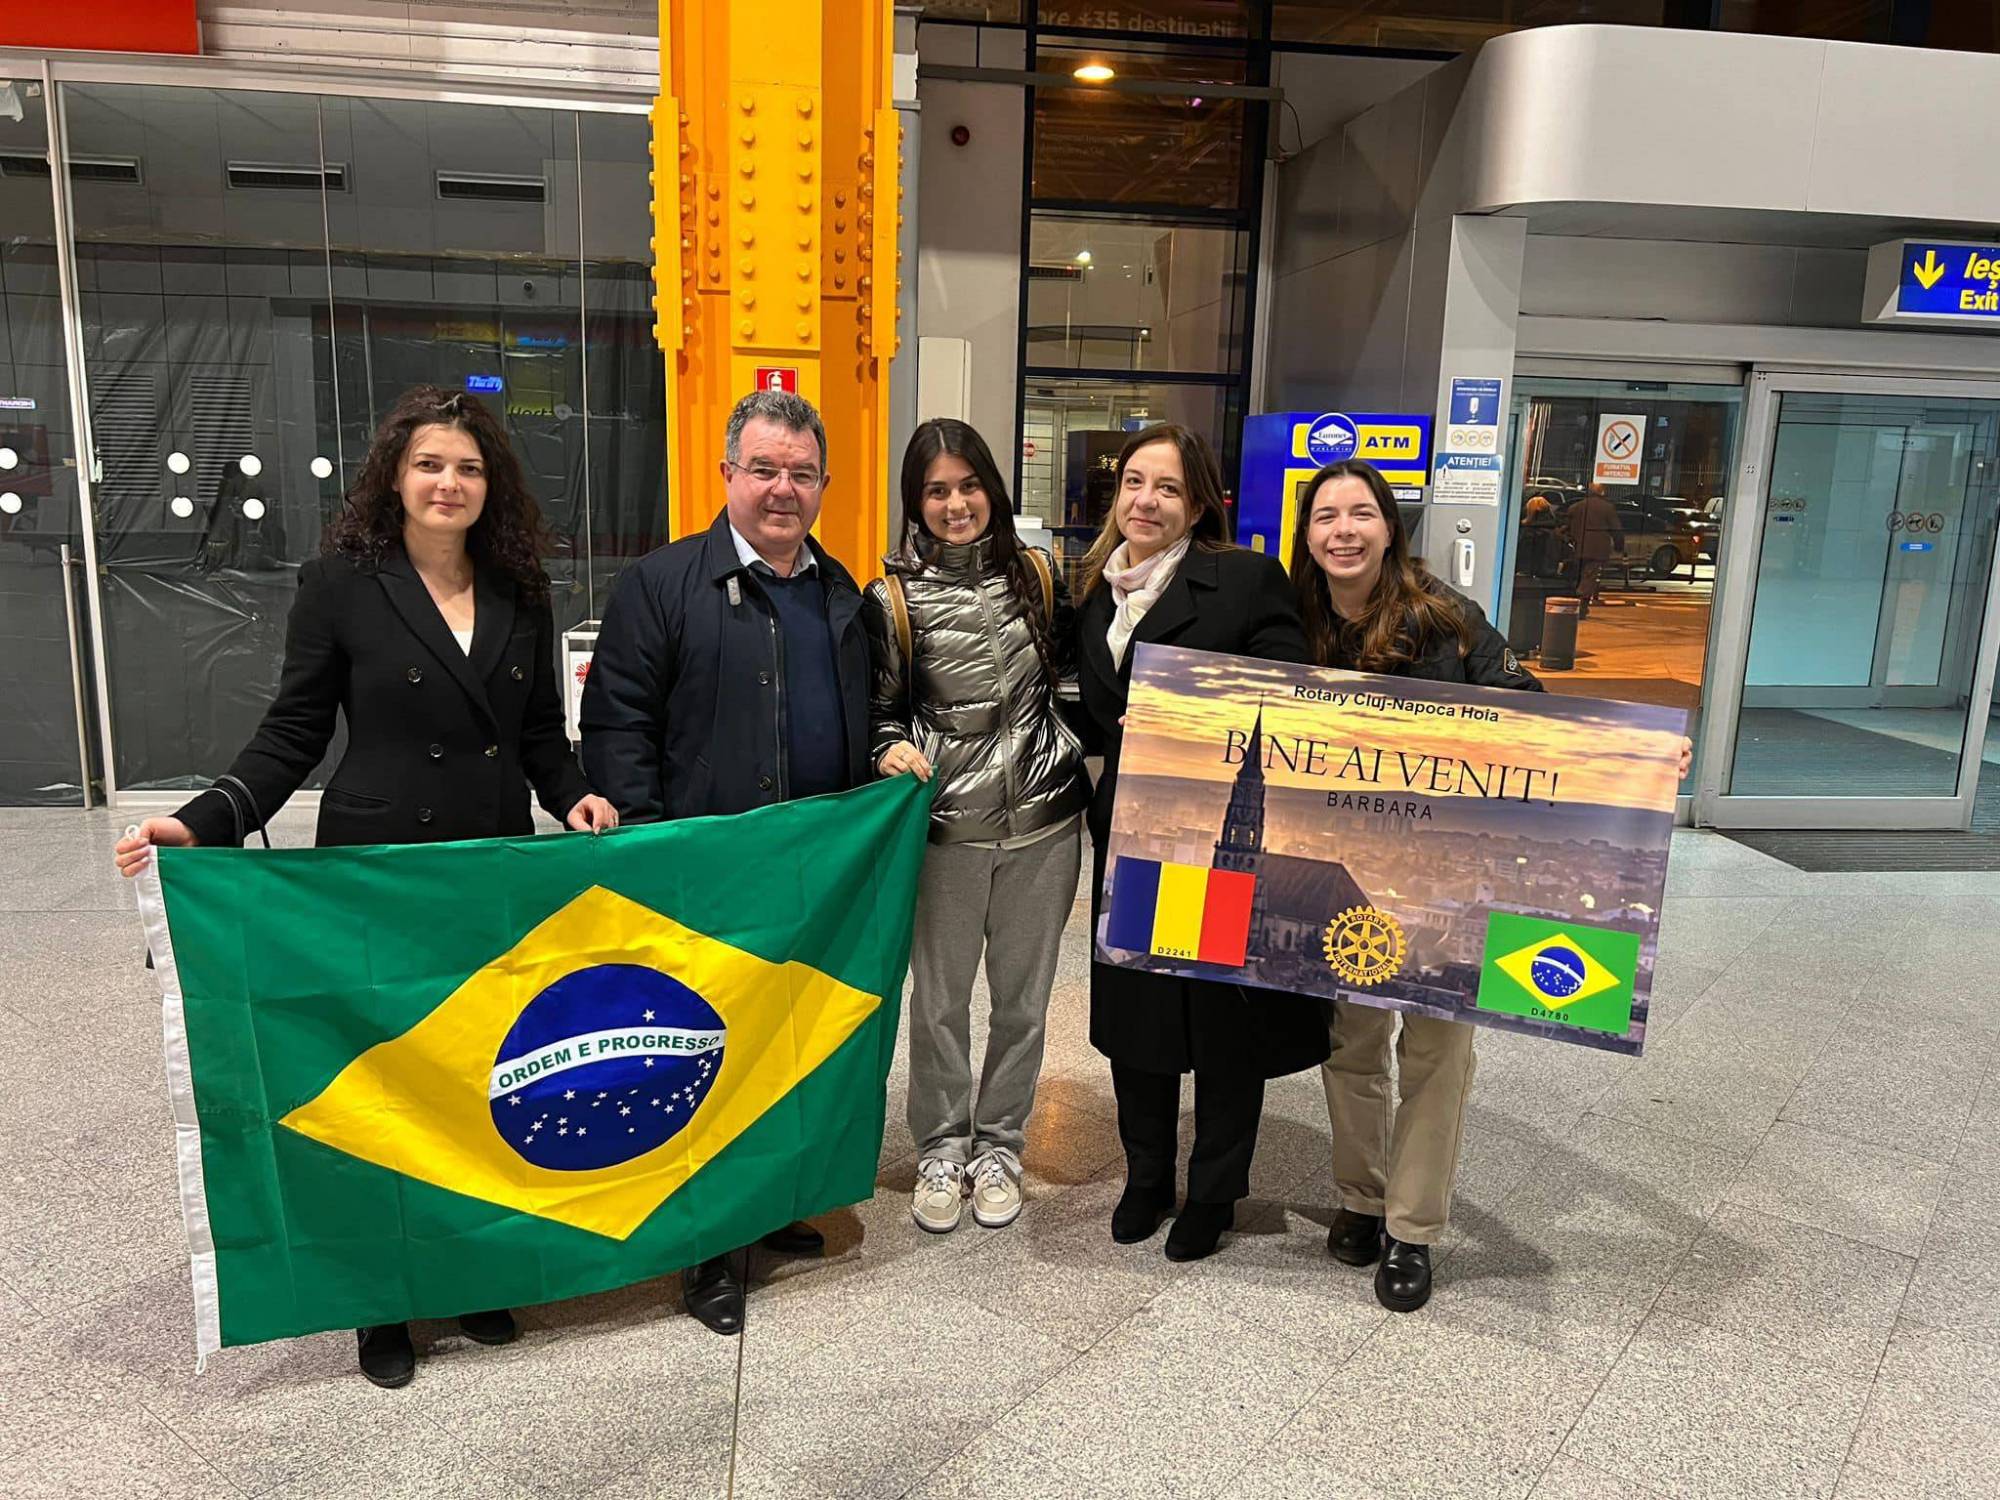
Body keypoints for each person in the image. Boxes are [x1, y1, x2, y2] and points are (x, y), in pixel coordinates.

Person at [113, 386, 618, 1387]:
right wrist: (207, 818)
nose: (448, 483)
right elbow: (294, 731)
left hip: (486, 869)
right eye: (430, 464)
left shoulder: (521, 588)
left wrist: (575, 798)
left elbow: (536, 739)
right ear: (395, 475)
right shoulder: (341, 582)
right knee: (387, 1090)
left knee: (479, 1075)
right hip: (376, 872)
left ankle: (473, 1270)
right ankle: (383, 1299)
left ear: (491, 485)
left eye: (468, 467)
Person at [1288, 458, 1688, 1312]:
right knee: (1351, 1044)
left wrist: (1639, 756)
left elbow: (1534, 717)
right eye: (1326, 516)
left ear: (1389, 527)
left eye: (1361, 513)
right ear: (1307, 533)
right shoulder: (1292, 623)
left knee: (1436, 1055)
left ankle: (1411, 1227)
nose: (1344, 531)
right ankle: (1362, 1197)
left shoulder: (1447, 619)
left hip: (1436, 874)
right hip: (1352, 878)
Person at [578, 388, 870, 1336]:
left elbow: (867, 717)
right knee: (699, 1061)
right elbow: (617, 725)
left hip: (811, 879)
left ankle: (770, 1204)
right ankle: (706, 1247)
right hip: (700, 878)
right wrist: (650, 849)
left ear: (824, 485)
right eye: (765, 469)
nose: (783, 489)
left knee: (783, 1053)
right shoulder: (663, 584)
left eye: (802, 473)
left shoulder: (840, 593)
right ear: (727, 474)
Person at [1072, 422, 1321, 1263]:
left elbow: (1290, 697)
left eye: (1169, 488)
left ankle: (1214, 1191)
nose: (1146, 501)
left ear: (1200, 503)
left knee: (1220, 1025)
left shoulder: (1244, 580)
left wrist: (1187, 722)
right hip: (1137, 841)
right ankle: (1146, 1175)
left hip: (1217, 842)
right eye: (1134, 483)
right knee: (1137, 1017)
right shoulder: (1096, 592)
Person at [864, 418, 1088, 1235]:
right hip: (947, 831)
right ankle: (941, 1147)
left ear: (992, 487)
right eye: (937, 491)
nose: (956, 504)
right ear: (915, 501)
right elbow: (881, 711)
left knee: (1024, 1005)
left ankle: (999, 1146)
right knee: (940, 1004)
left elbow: (1073, 676)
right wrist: (888, 748)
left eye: (968, 485)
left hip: (1045, 824)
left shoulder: (1039, 573)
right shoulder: (892, 598)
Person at [1567, 482, 1623, 616]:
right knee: (1590, 576)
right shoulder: (1607, 508)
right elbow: (1616, 529)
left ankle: (1576, 602)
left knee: (1580, 575)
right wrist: (1619, 545)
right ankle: (1582, 605)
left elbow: (1568, 525)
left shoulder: (1577, 507)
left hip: (1579, 546)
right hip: (1597, 549)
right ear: (1602, 492)